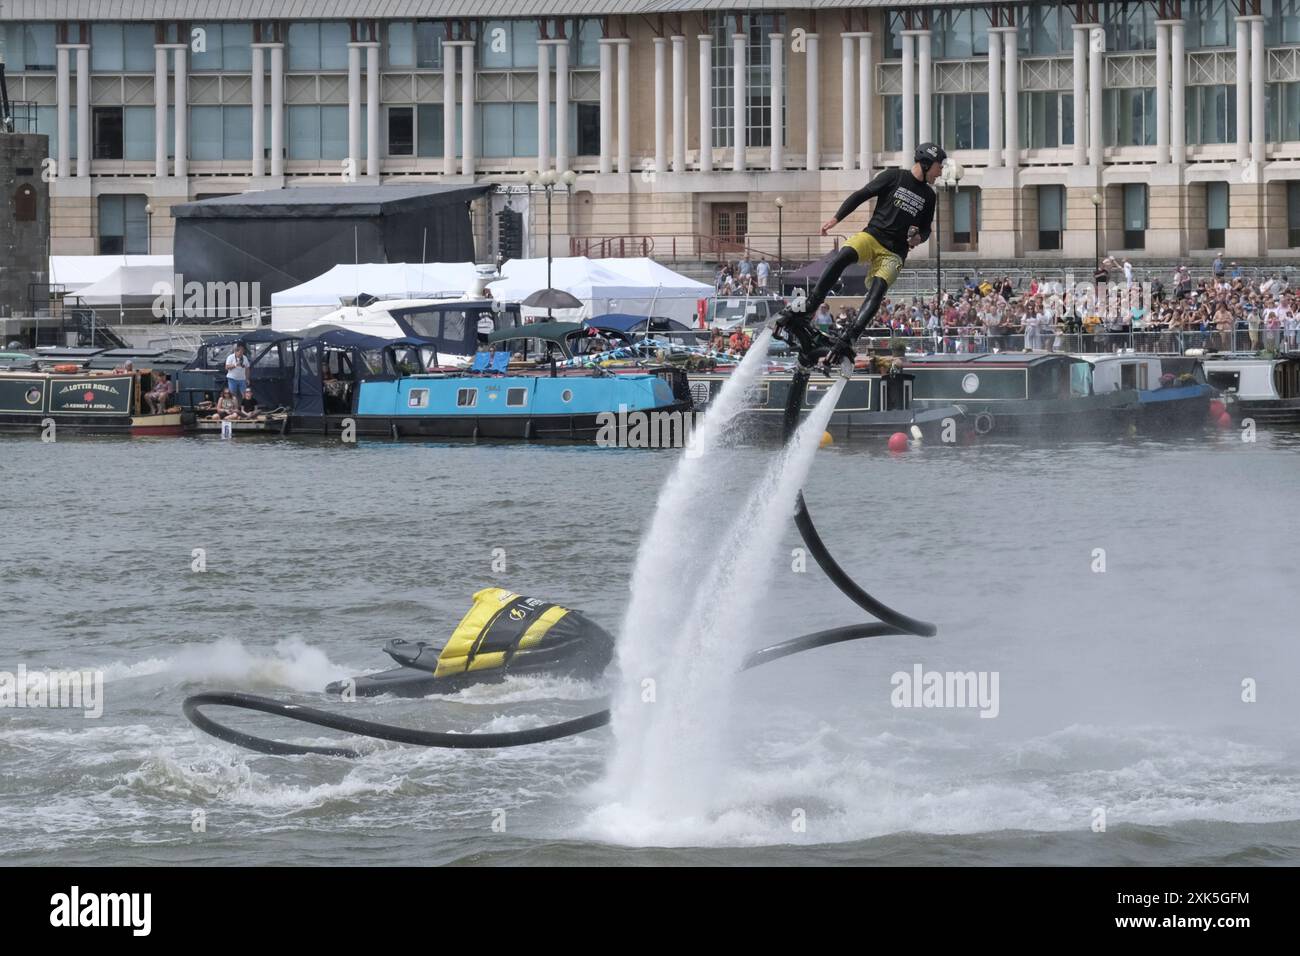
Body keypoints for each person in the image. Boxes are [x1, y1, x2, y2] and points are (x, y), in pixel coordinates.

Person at [773, 142, 945, 367]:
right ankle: (810, 305)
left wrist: (918, 239)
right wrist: (836, 219)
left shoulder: (929, 196)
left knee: (878, 289)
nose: (940, 172)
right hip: (873, 236)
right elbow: (861, 194)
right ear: (926, 163)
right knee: (843, 255)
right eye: (938, 166)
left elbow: (926, 229)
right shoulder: (894, 176)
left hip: (894, 253)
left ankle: (850, 337)